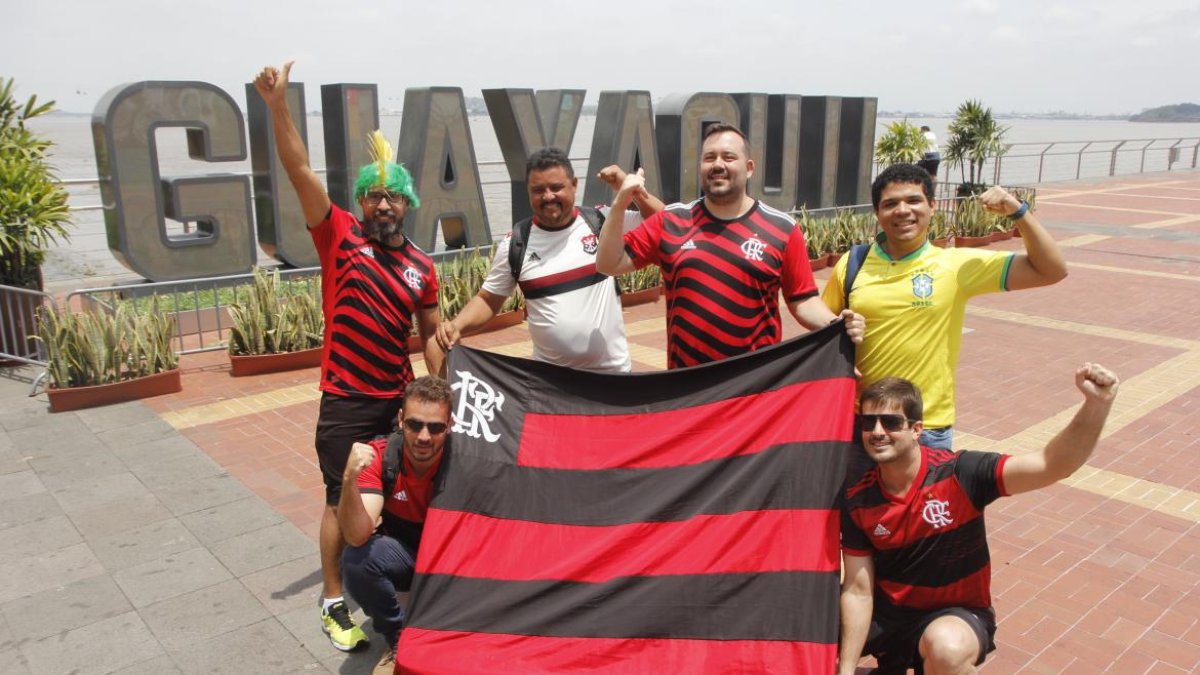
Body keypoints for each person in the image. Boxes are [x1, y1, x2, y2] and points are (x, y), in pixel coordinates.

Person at [254, 60, 444, 652]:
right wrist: (278, 106)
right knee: (341, 498)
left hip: (398, 399)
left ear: (407, 202)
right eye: (373, 195)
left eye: (392, 196)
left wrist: (452, 397)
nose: (382, 204)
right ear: (360, 203)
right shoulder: (338, 235)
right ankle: (334, 601)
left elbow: (434, 337)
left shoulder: (422, 266)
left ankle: (392, 575)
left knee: (403, 490)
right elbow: (298, 168)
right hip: (344, 399)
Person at [838, 363, 1119, 674]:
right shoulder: (857, 499)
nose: (877, 432)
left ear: (917, 429)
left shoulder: (962, 473)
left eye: (890, 422)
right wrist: (845, 671)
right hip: (888, 618)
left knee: (946, 650)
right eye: (868, 422)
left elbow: (1050, 465)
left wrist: (1096, 406)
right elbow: (858, 590)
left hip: (953, 616)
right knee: (802, 630)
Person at [822, 163, 1067, 449]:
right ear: (877, 213)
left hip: (925, 426)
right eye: (890, 204)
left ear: (932, 206)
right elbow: (822, 322)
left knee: (926, 496)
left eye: (914, 200)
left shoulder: (955, 265)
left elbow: (1052, 270)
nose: (902, 210)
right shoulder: (853, 263)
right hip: (862, 422)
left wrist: (1017, 211)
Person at [595, 123, 862, 368]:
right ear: (700, 166)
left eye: (728, 157)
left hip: (753, 384)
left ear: (749, 168)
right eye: (709, 158)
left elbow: (803, 301)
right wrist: (621, 201)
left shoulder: (782, 229)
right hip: (686, 386)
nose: (718, 164)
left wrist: (837, 325)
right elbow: (609, 263)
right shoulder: (671, 221)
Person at [435, 148, 662, 372]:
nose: (548, 196)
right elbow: (488, 300)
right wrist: (456, 326)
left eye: (556, 187)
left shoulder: (602, 222)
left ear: (574, 185)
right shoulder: (516, 243)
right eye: (538, 189)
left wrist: (633, 192)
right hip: (551, 386)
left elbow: (667, 222)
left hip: (614, 379)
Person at [339, 376, 452, 675]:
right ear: (401, 420)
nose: (424, 436)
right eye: (415, 425)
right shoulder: (382, 456)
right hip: (406, 555)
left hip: (449, 561)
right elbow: (355, 534)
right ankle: (398, 637)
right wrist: (349, 480)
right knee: (356, 560)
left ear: (450, 425)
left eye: (436, 427)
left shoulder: (464, 461)